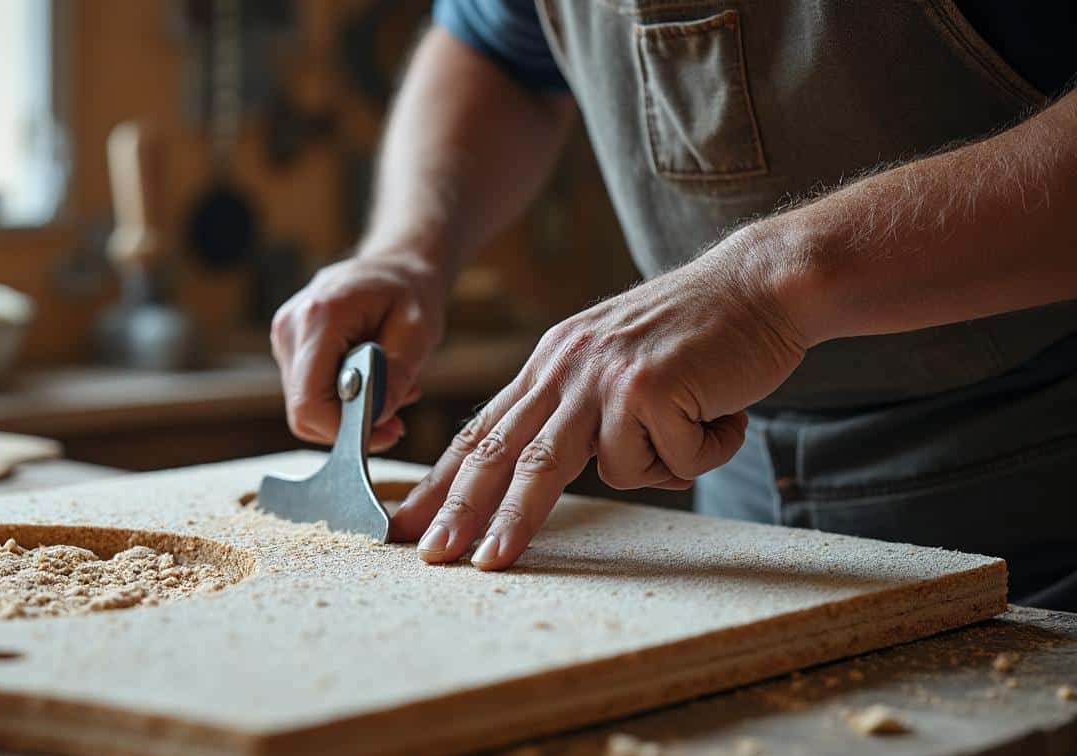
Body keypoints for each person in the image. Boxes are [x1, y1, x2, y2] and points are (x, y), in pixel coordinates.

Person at [270, 0, 1077, 610]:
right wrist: (409, 246)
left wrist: (763, 287)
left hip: (1039, 487)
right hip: (737, 508)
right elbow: (498, 49)